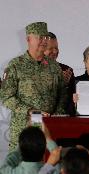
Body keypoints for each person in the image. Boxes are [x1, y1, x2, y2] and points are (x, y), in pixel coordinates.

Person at [0, 22, 66, 151]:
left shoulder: (54, 66)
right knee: (22, 168)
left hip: (48, 130)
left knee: (47, 167)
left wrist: (56, 117)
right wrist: (29, 111)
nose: (43, 41)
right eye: (39, 37)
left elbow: (62, 94)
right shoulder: (15, 65)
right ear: (28, 39)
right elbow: (6, 97)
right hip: (23, 129)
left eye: (45, 37)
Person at [44, 32, 76, 115]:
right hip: (37, 120)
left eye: (56, 48)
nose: (55, 51)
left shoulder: (67, 70)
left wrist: (65, 85)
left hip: (60, 121)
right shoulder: (32, 70)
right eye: (50, 48)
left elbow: (72, 101)